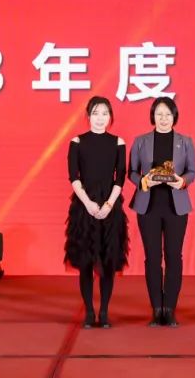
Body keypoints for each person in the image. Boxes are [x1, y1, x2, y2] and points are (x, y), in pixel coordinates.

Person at [129, 96, 195, 328]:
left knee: (174, 256)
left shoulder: (185, 141)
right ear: (153, 116)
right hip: (148, 206)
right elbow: (131, 172)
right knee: (152, 257)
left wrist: (182, 181)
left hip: (176, 206)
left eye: (168, 114)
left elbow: (192, 171)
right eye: (159, 114)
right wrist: (143, 181)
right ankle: (156, 308)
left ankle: (169, 309)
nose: (164, 118)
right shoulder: (140, 141)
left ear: (174, 116)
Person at [65, 96, 128, 328]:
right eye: (95, 113)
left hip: (111, 207)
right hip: (84, 207)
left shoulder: (118, 142)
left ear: (110, 117)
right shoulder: (77, 142)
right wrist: (88, 204)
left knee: (108, 261)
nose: (100, 118)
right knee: (86, 261)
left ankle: (104, 312)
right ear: (88, 116)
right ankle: (89, 313)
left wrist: (109, 205)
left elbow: (120, 178)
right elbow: (74, 177)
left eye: (104, 113)